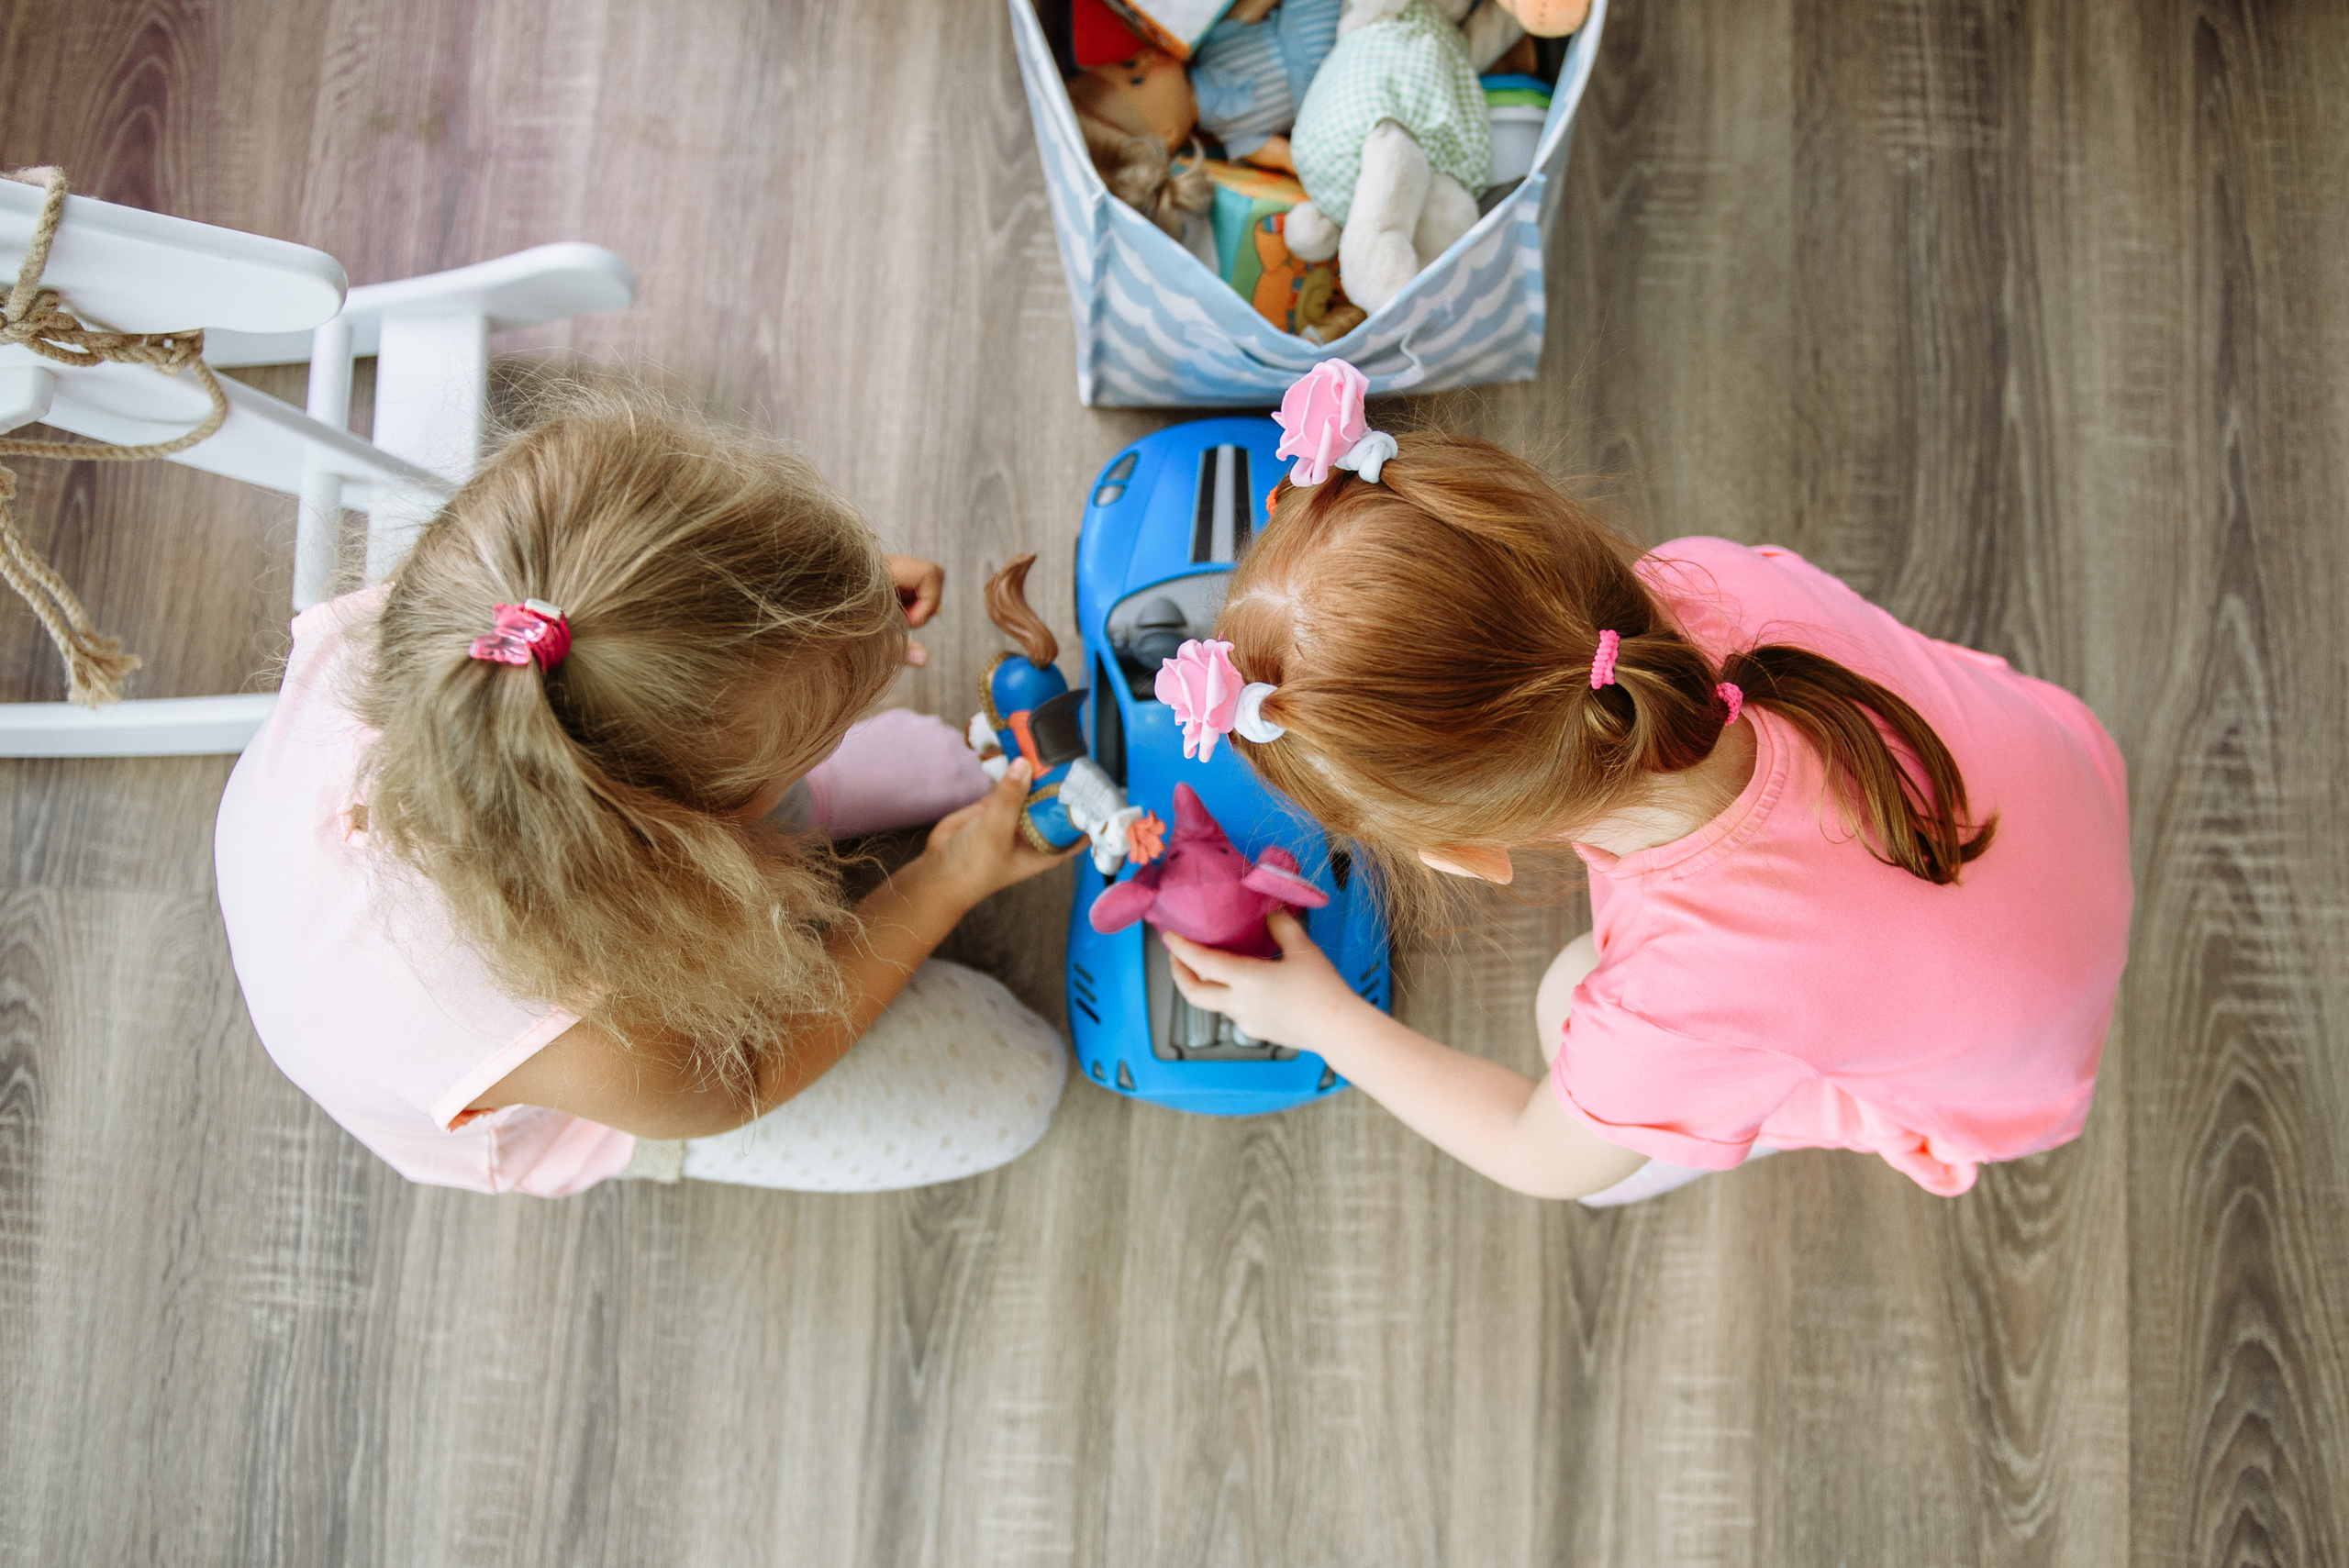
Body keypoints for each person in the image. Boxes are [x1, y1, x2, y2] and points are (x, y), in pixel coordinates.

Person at [1157, 361, 2132, 1204]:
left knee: (1564, 1005)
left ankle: (1661, 1125)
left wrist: (1321, 1017)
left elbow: (1531, 1151)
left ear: (1459, 852)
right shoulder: (1702, 578)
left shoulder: (1675, 1004)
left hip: (2015, 1070)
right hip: (2054, 780)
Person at [214, 389, 1074, 1196]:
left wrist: (812, 611)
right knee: (1018, 1081)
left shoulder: (483, 613)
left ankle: (788, 779)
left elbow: (640, 632)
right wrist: (942, 879)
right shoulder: (577, 1034)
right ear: (675, 844)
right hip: (599, 1079)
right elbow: (743, 1078)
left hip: (564, 839)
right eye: (814, 743)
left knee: (761, 767)